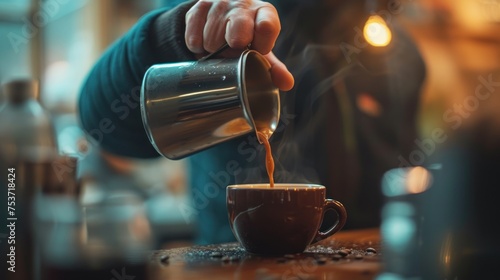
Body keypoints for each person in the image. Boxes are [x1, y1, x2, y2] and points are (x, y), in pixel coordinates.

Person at [78, 0, 426, 245]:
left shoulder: (399, 51)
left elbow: (407, 171)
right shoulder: (223, 14)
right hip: (229, 266)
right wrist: (169, 35)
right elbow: (100, 122)